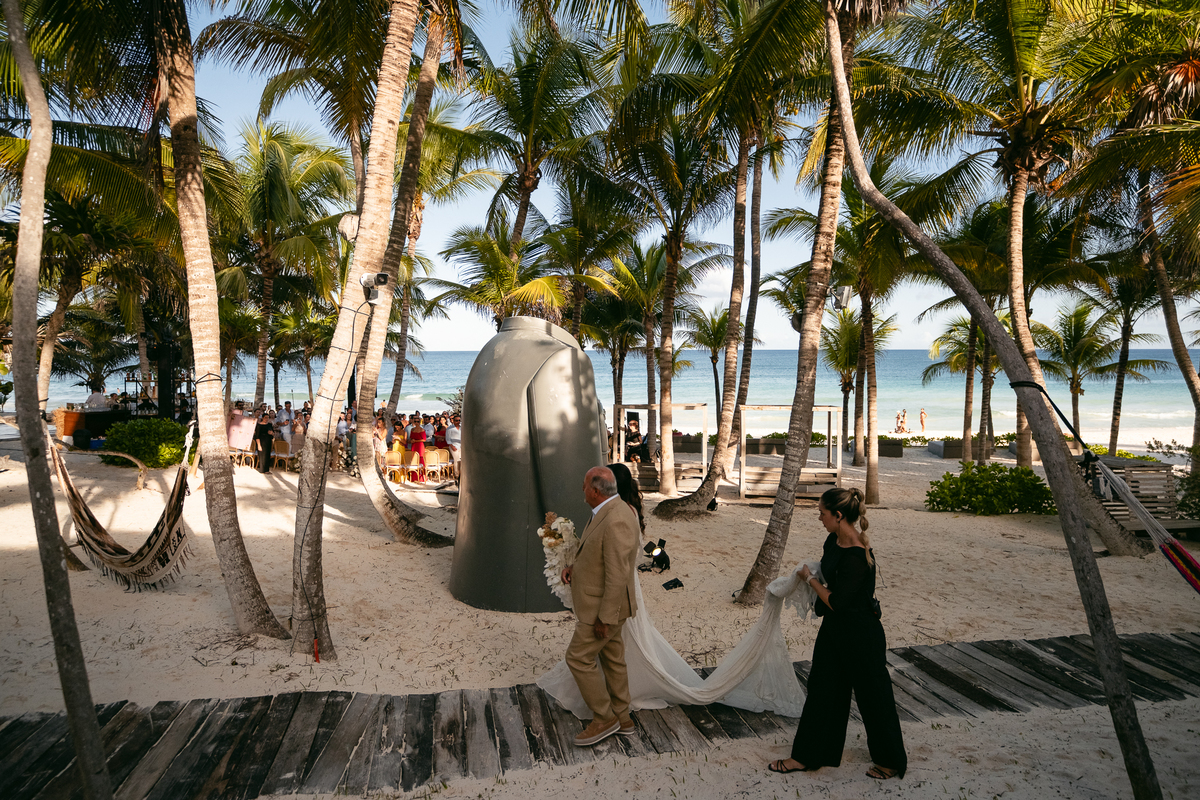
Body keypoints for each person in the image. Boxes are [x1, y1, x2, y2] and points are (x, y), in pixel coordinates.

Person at [768, 487, 906, 780]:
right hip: (835, 630)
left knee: (874, 698)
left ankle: (890, 761)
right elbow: (830, 578)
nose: (819, 518)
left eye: (822, 513)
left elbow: (837, 601)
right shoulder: (833, 540)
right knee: (823, 691)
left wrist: (809, 578)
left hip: (861, 634)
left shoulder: (857, 555)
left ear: (839, 515)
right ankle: (808, 756)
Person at [560, 466, 640, 746]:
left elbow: (617, 574)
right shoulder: (607, 509)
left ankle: (604, 718)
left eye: (584, 485)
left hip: (602, 609)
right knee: (613, 659)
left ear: (595, 491)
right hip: (604, 605)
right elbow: (599, 554)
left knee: (578, 658)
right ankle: (623, 717)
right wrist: (575, 567)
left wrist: (604, 618)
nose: (582, 489)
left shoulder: (616, 518)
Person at [445, 414, 461, 480]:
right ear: (453, 421)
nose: (458, 422)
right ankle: (457, 474)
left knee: (461, 460)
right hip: (454, 446)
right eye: (456, 420)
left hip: (461, 446)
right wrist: (452, 446)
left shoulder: (462, 428)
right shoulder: (449, 428)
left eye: (459, 420)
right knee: (456, 460)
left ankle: (461, 473)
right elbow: (448, 439)